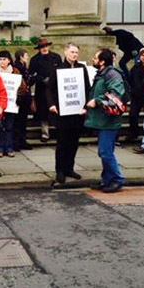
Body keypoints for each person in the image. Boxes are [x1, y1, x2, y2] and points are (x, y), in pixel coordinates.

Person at [47, 42, 91, 184]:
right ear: (66, 52)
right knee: (62, 144)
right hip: (62, 112)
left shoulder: (81, 68)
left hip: (77, 112)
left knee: (74, 143)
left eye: (76, 52)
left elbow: (87, 88)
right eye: (72, 52)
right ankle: (60, 171)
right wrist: (52, 105)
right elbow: (49, 89)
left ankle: (69, 168)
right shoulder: (58, 69)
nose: (74, 55)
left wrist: (86, 106)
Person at [85, 48, 125, 193]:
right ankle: (107, 180)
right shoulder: (103, 74)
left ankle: (116, 179)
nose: (93, 60)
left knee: (105, 152)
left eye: (95, 58)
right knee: (105, 152)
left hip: (109, 120)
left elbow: (116, 94)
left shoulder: (112, 75)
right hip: (103, 119)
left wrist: (97, 101)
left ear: (102, 61)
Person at [29, 37, 62, 142]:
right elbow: (32, 75)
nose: (44, 48)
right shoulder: (34, 60)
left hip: (54, 88)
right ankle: (45, 133)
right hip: (42, 88)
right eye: (41, 47)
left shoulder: (56, 57)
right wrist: (41, 79)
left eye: (45, 46)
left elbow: (61, 71)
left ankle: (58, 131)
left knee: (56, 109)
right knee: (43, 112)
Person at [0, 50, 25, 158]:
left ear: (9, 60)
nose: (2, 61)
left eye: (4, 59)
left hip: (11, 104)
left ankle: (9, 147)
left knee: (9, 126)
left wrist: (18, 96)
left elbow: (22, 86)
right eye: (0, 59)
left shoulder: (15, 71)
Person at [126, 48, 144, 142]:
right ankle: (134, 133)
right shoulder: (135, 67)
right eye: (143, 55)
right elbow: (130, 80)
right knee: (133, 115)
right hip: (136, 96)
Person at [13, 48, 33, 151]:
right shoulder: (17, 68)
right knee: (19, 121)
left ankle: (21, 141)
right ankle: (17, 142)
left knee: (22, 120)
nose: (27, 57)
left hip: (25, 97)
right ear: (21, 57)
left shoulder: (24, 67)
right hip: (20, 97)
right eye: (26, 55)